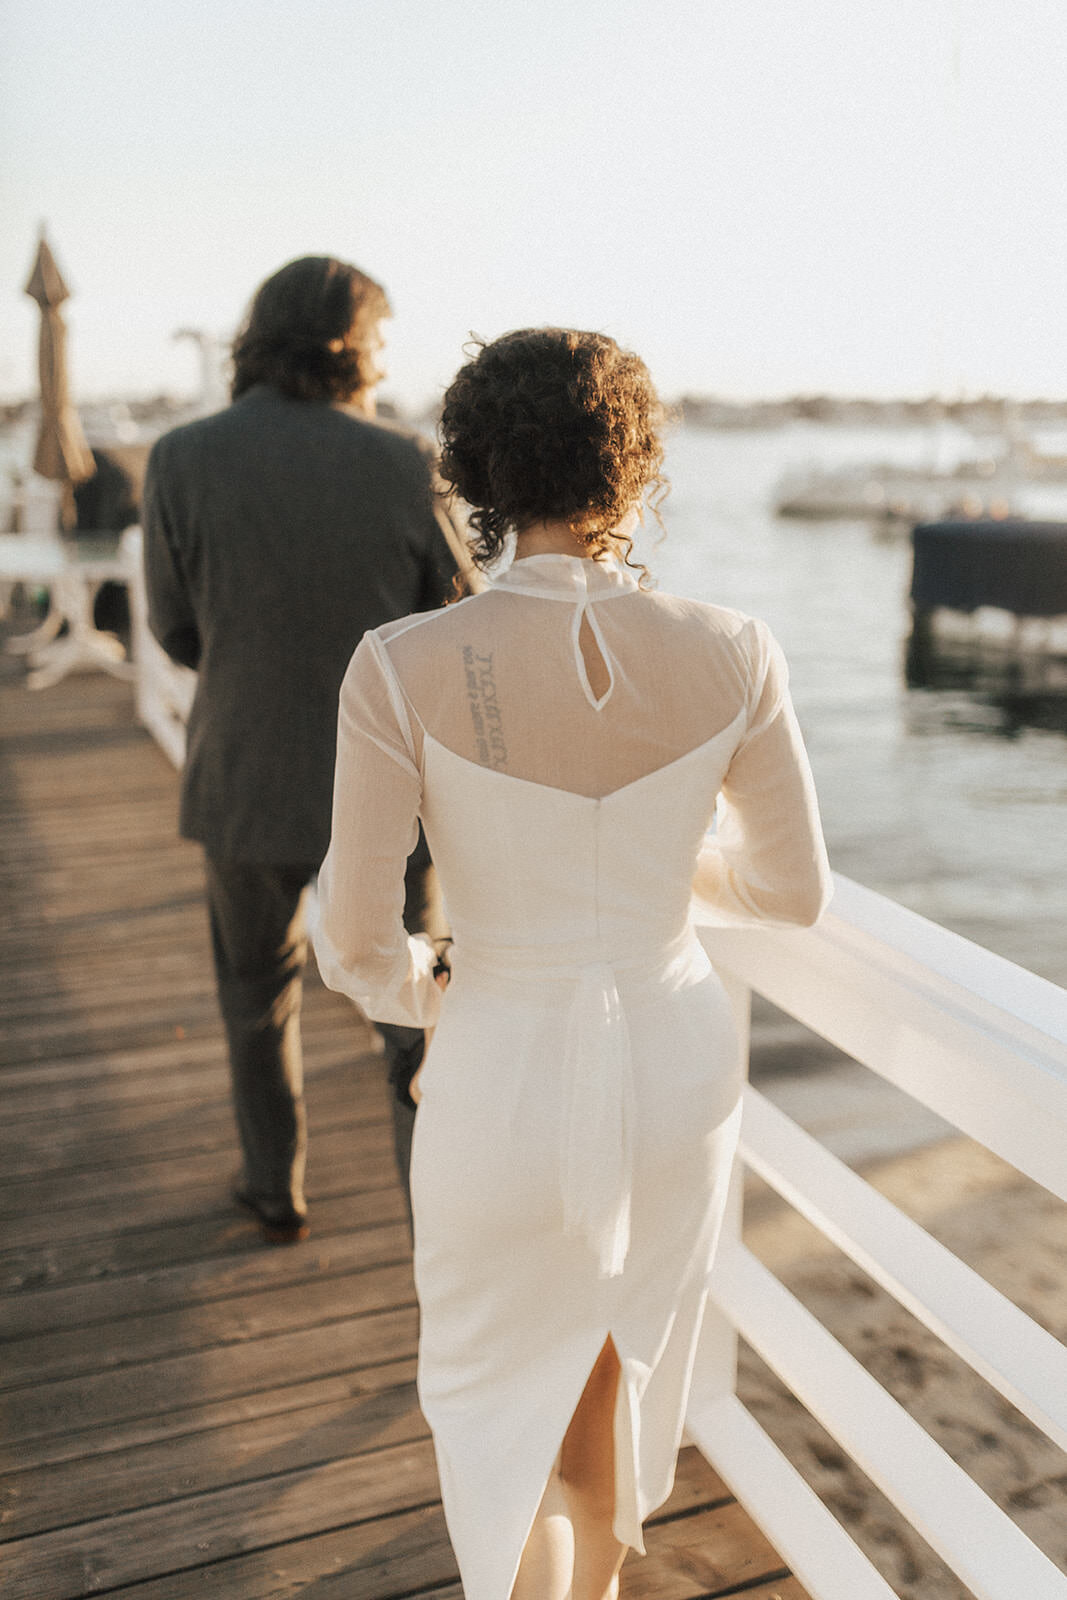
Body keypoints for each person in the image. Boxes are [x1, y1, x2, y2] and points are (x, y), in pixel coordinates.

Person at [313, 327, 832, 1600]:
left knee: (494, 1396)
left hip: (499, 1059)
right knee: (615, 1368)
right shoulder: (736, 646)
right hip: (672, 1058)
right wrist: (667, 868)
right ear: (635, 470)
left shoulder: (401, 665)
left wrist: (428, 986)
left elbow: (356, 943)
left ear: (476, 475)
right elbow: (790, 890)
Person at [142, 255, 466, 1244]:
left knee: (255, 993)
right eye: (377, 342)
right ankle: (433, 1222)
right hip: (389, 794)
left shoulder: (180, 457)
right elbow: (452, 619)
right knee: (412, 1014)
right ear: (350, 348)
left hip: (242, 775)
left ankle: (272, 1185)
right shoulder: (405, 462)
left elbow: (170, 629)